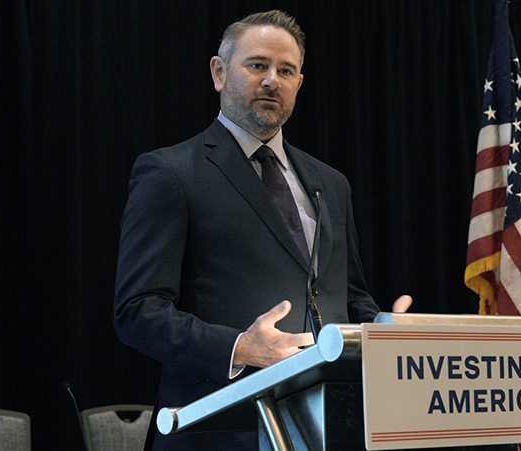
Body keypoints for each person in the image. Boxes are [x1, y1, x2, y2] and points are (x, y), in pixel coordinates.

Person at [114, 10, 409, 450]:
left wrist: (382, 330)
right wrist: (238, 347)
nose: (272, 80)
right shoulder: (170, 173)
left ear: (299, 84)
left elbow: (348, 295)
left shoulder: (330, 183)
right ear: (219, 72)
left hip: (330, 426)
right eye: (257, 65)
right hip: (221, 429)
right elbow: (138, 311)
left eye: (285, 70)